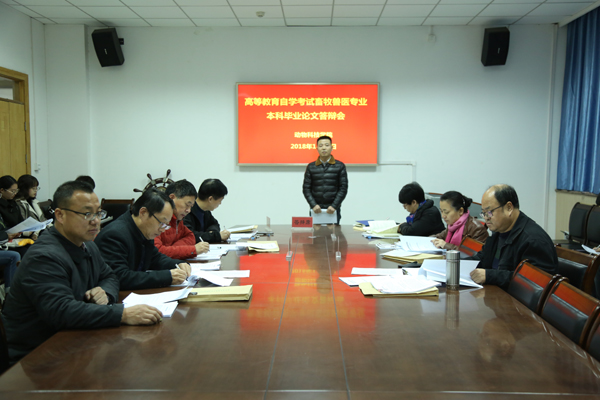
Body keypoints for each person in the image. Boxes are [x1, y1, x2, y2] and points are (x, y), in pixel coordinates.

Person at [1, 180, 163, 363]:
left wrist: (105, 292)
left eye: (98, 213)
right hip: (36, 356)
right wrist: (123, 314)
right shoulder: (44, 256)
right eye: (87, 214)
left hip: (74, 338)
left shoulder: (87, 245)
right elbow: (62, 311)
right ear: (60, 215)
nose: (96, 221)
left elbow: (110, 276)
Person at [95, 188, 192, 290]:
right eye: (162, 223)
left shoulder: (144, 230)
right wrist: (167, 277)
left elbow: (155, 258)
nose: (163, 230)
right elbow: (119, 277)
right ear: (143, 213)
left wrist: (178, 264)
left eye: (166, 225)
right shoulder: (114, 235)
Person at [468, 184, 557, 290]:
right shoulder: (499, 231)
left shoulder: (534, 240)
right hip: (495, 293)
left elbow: (535, 282)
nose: (486, 218)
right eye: (484, 213)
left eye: (489, 212)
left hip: (513, 299)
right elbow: (482, 258)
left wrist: (490, 276)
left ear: (509, 208)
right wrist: (456, 263)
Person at [154, 180, 209, 258]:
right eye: (187, 204)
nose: (188, 210)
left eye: (191, 207)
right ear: (172, 198)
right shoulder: (156, 219)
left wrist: (174, 249)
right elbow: (157, 252)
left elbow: (191, 236)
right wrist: (191, 250)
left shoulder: (178, 220)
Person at [302, 135, 348, 224]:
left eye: (327, 145)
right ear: (317, 149)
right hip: (316, 209)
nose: (324, 148)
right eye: (321, 145)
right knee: (315, 232)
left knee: (334, 232)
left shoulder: (340, 166)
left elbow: (343, 188)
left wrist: (334, 206)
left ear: (332, 148)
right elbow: (306, 188)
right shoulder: (311, 167)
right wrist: (313, 205)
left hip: (333, 209)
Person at [183, 179, 230, 243]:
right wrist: (216, 236)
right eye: (220, 200)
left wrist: (212, 233)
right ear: (210, 199)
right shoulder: (187, 211)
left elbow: (214, 224)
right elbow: (191, 235)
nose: (220, 203)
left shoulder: (205, 210)